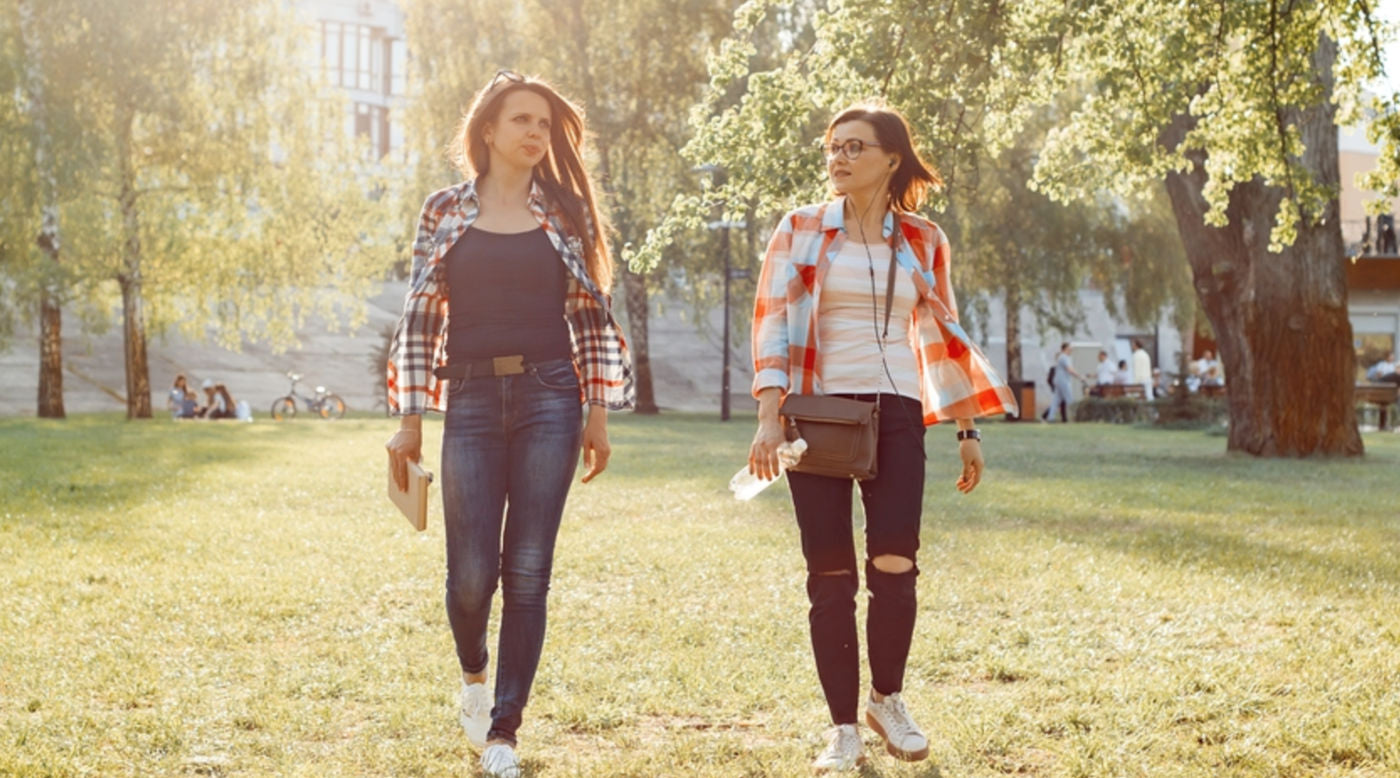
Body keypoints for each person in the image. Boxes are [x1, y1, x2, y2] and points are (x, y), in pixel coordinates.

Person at [747, 103, 1016, 773]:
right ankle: (843, 728)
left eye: (854, 147)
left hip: (897, 412)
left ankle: (886, 700)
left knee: (896, 565)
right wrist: (767, 417)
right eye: (833, 147)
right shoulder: (801, 229)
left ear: (891, 159)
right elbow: (772, 327)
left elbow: (945, 334)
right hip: (817, 413)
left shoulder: (924, 239)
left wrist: (965, 427)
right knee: (830, 575)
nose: (838, 157)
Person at [383, 70, 633, 778]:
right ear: (487, 131)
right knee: (469, 576)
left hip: (551, 395)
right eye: (522, 120)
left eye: (545, 125)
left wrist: (598, 415)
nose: (535, 134)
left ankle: (504, 731)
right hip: (466, 398)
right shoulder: (442, 210)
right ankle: (473, 673)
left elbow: (589, 317)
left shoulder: (563, 211)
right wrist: (410, 420)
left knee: (527, 572)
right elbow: (421, 312)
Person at [1041, 342, 1081, 422]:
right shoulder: (1064, 357)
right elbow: (1069, 369)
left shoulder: (1062, 357)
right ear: (1066, 348)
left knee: (1056, 400)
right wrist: (1079, 376)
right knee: (1070, 399)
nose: (1071, 350)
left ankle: (1051, 417)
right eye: (1070, 348)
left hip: (1058, 381)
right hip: (1063, 381)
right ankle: (1076, 416)